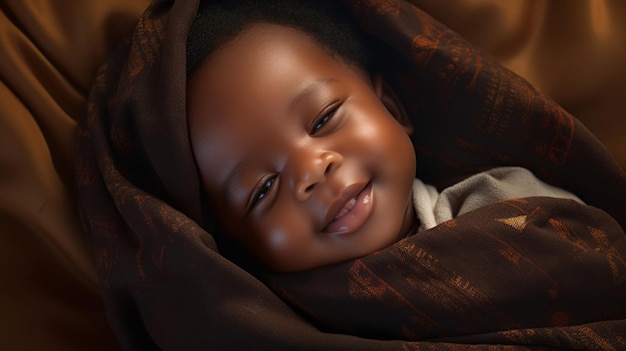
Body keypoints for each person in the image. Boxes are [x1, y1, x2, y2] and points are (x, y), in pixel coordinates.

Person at [185, 0, 582, 273]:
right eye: (263, 188)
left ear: (391, 107)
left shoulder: (514, 207)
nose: (312, 170)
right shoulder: (267, 328)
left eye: (323, 120)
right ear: (239, 247)